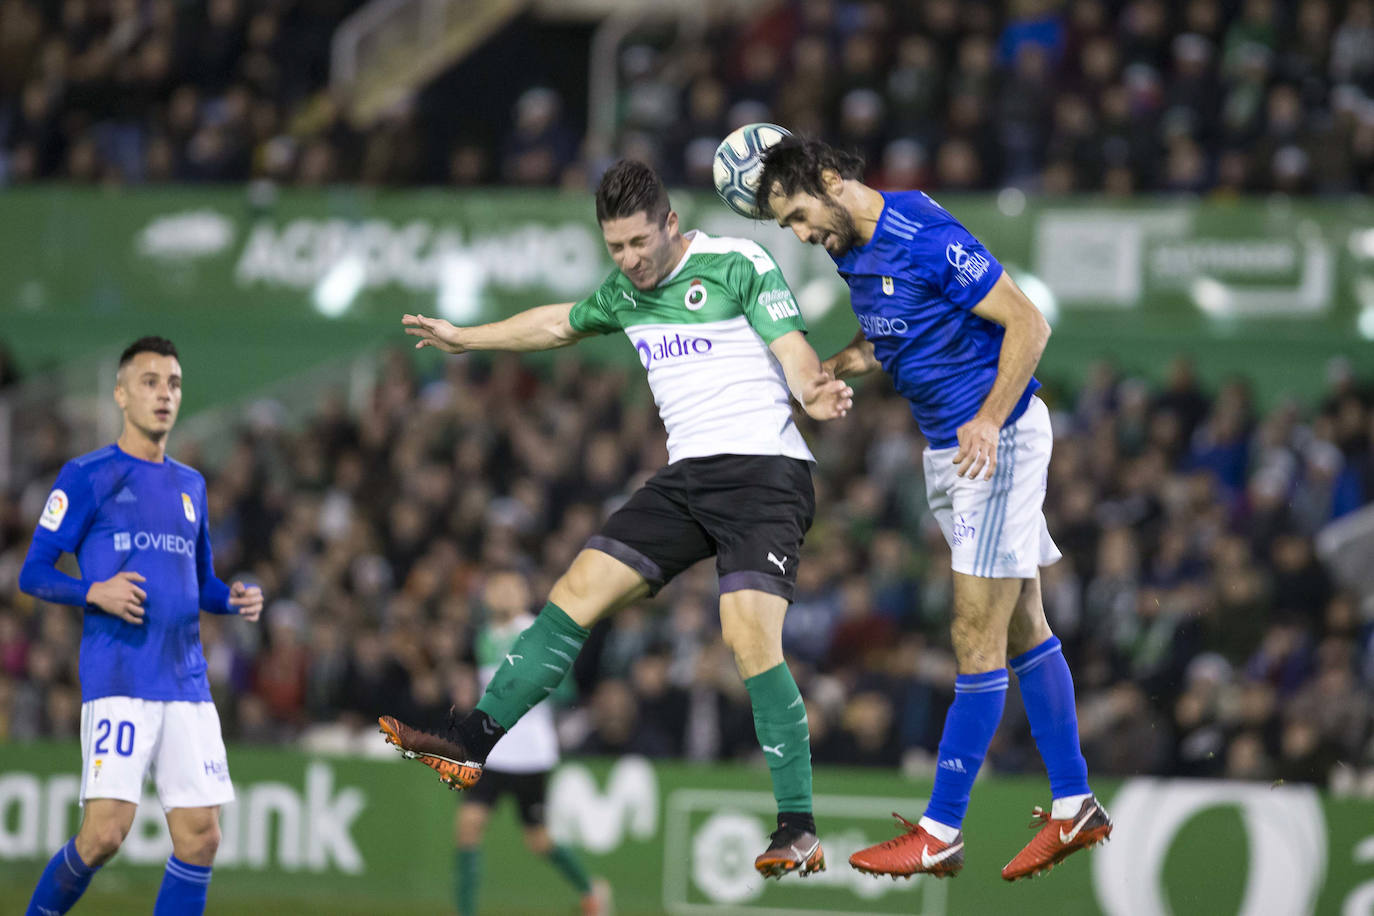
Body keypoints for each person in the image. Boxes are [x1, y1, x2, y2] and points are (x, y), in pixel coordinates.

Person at [379, 158, 852, 879]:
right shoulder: (623, 293)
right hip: (686, 479)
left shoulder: (735, 262)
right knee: (574, 590)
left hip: (764, 474)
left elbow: (788, 345)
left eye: (639, 243)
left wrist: (812, 389)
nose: (629, 261)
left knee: (747, 637)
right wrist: (465, 338)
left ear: (670, 223)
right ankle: (470, 742)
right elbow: (555, 324)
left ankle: (798, 825)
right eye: (615, 249)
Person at [756, 137, 1111, 881]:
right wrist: (830, 369)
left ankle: (941, 828)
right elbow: (896, 334)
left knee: (971, 635)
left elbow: (1029, 323)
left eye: (796, 216)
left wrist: (987, 418)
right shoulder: (849, 245)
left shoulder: (924, 234)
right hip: (951, 451)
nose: (799, 235)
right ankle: (1075, 803)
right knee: (1023, 626)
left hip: (995, 439)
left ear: (829, 181)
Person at [20, 336, 263, 916]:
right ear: (122, 395)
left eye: (174, 384)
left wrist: (231, 598)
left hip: (187, 680)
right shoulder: (87, 475)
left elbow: (199, 580)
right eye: (151, 382)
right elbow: (32, 572)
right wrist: (92, 590)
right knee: (105, 834)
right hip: (121, 675)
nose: (164, 394)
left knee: (202, 834)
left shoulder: (191, 485)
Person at [455, 568, 611, 915]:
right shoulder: (484, 637)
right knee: (468, 826)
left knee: (537, 839)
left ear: (523, 594)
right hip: (493, 752)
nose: (502, 593)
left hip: (530, 753)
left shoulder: (536, 631)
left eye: (511, 587)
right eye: (496, 586)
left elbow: (566, 689)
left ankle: (591, 892)